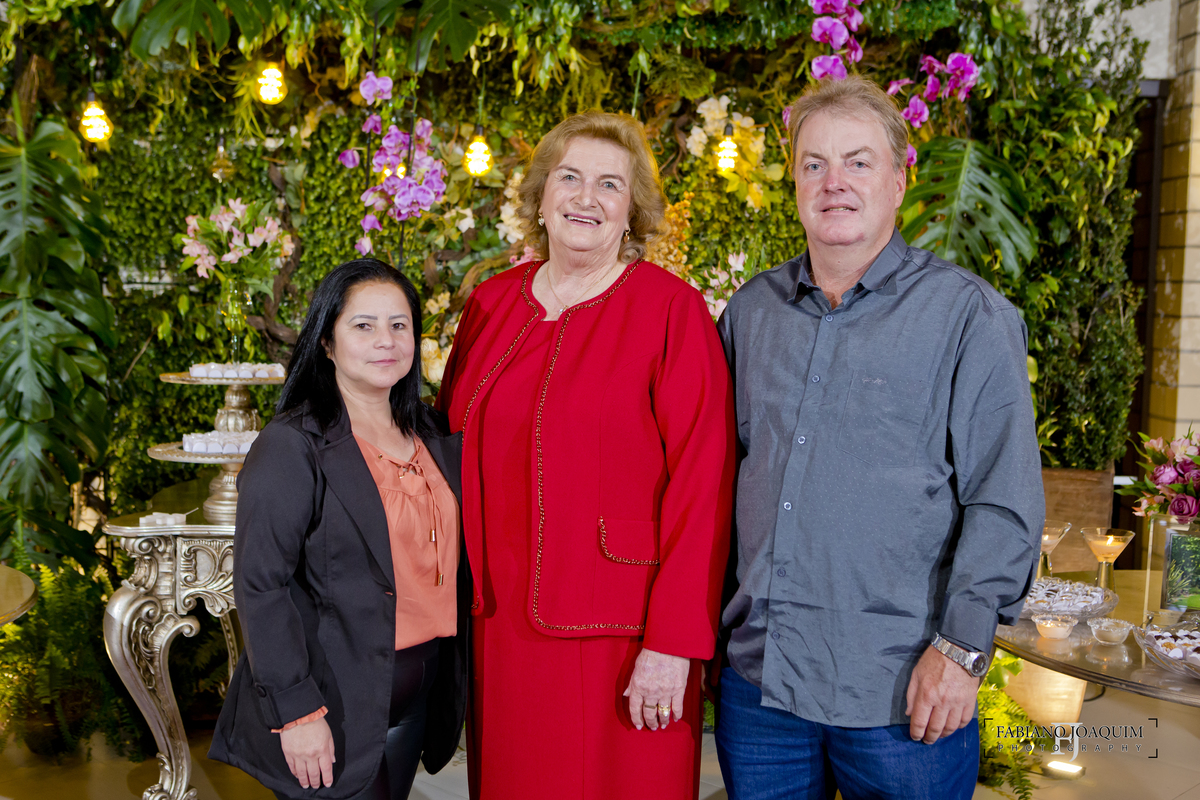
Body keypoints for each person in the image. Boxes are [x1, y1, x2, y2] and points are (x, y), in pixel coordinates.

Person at [713, 76, 1044, 800]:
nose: (834, 182)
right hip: (762, 687)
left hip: (903, 694)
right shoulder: (752, 313)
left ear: (898, 180)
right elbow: (716, 479)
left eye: (858, 162)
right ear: (795, 183)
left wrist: (961, 651)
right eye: (814, 164)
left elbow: (1004, 500)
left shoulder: (968, 317)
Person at [436, 110, 735, 800]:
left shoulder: (672, 311)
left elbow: (705, 484)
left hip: (624, 636)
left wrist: (674, 642)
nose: (586, 198)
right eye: (569, 178)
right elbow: (443, 448)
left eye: (610, 184)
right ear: (541, 197)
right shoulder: (490, 305)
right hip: (497, 630)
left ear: (632, 212)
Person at [209, 259, 470, 800]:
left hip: (417, 689)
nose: (386, 341)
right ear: (327, 342)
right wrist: (297, 712)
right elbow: (261, 585)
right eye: (363, 325)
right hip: (333, 696)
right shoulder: (292, 444)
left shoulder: (431, 430)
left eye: (399, 325)